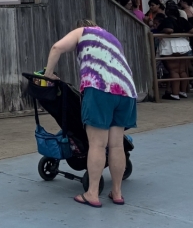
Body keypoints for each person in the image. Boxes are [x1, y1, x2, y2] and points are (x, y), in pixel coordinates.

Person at [43, 20, 137, 208]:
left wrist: (48, 73)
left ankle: (92, 193)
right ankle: (117, 192)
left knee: (97, 144)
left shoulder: (82, 31)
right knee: (117, 145)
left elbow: (56, 48)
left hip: (99, 88)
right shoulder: (112, 39)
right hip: (126, 90)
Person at [156, 5, 193, 100]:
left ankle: (175, 93)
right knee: (182, 70)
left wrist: (163, 31)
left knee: (174, 70)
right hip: (183, 44)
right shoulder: (182, 20)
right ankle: (183, 92)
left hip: (170, 45)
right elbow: (192, 30)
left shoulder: (167, 20)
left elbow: (169, 30)